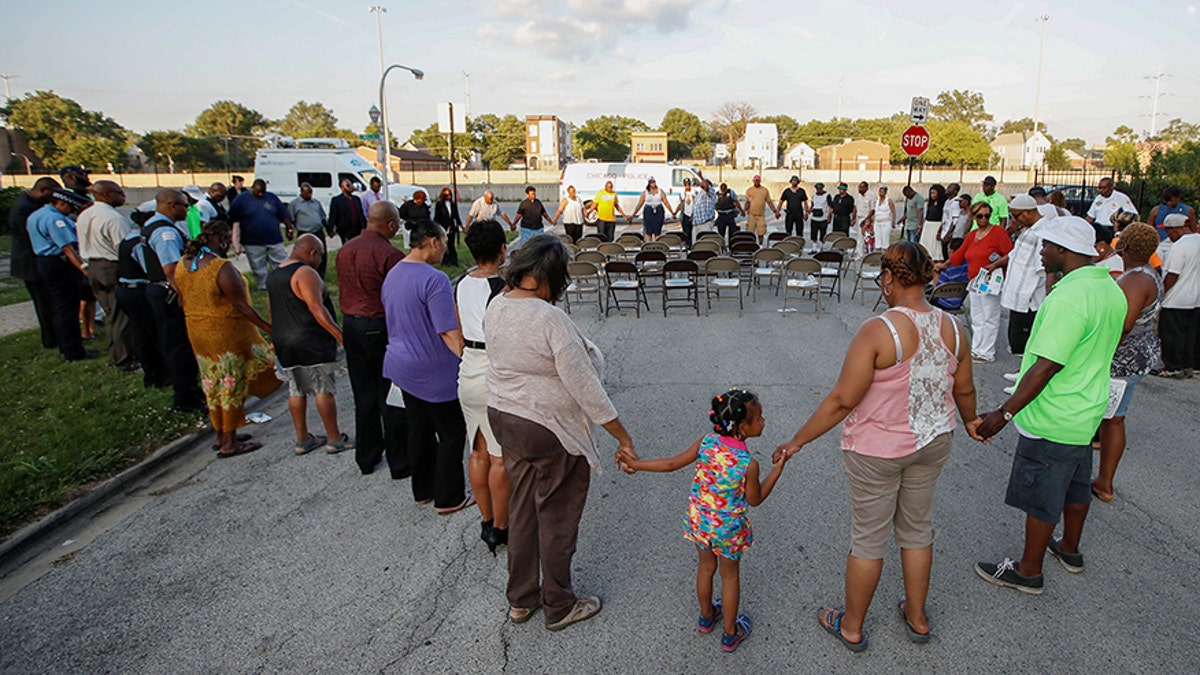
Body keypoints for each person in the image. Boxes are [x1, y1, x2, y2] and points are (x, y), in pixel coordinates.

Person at [774, 241, 979, 652]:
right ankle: (917, 617)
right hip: (934, 440)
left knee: (869, 538)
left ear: (887, 279)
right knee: (917, 528)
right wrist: (972, 421)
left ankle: (851, 625)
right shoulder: (956, 329)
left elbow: (842, 400)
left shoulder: (879, 330)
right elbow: (965, 387)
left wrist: (797, 441)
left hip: (877, 450)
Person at [483, 234, 635, 630]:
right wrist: (621, 435)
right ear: (551, 278)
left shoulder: (497, 303)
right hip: (547, 428)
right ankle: (559, 604)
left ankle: (521, 599)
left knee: (522, 511)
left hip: (504, 416)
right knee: (556, 518)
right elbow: (585, 386)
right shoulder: (548, 318)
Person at [974, 216, 1126, 595]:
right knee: (1076, 486)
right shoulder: (1110, 289)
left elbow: (1046, 365)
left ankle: (1028, 571)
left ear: (1064, 250)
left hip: (1054, 413)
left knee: (1043, 495)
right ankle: (1070, 550)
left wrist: (1004, 413)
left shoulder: (1069, 298)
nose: (1040, 252)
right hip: (1087, 409)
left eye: (1046, 246)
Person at [618, 389, 787, 653]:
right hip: (728, 529)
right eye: (760, 418)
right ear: (742, 428)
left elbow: (671, 463)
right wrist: (777, 470)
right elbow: (756, 499)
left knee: (706, 568)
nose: (764, 421)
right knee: (729, 576)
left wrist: (637, 465)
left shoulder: (706, 442)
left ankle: (707, 617)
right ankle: (730, 633)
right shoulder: (747, 463)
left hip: (699, 521)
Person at [382, 220, 472, 513]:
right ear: (433, 241)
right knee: (452, 432)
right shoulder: (434, 279)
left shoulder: (393, 274)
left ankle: (423, 490)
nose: (446, 248)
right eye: (444, 242)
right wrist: (466, 360)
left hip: (401, 364)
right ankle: (450, 497)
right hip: (433, 369)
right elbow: (447, 330)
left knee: (418, 428)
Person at [174, 220, 279, 456]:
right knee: (232, 384)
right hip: (227, 334)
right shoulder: (220, 267)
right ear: (222, 239)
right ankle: (230, 443)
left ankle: (222, 433)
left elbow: (182, 300)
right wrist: (269, 328)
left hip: (198, 332)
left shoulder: (183, 264)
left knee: (213, 383)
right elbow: (242, 306)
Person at [336, 200, 409, 478]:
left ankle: (367, 457)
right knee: (390, 394)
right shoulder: (389, 255)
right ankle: (399, 461)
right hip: (378, 326)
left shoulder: (346, 249)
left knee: (363, 394)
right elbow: (399, 298)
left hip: (351, 326)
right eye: (397, 223)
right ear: (390, 225)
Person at [1092, 223, 1163, 502]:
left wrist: (1101, 354)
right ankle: (1103, 480)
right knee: (1112, 418)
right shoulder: (1148, 273)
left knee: (1112, 419)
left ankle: (1104, 482)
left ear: (1124, 246)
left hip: (1122, 361)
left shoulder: (1136, 279)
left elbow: (1123, 325)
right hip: (1137, 355)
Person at [455, 221, 512, 554]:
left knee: (477, 450)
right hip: (494, 370)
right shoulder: (503, 288)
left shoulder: (461, 283)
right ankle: (502, 527)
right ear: (502, 250)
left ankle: (487, 519)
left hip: (468, 369)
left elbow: (459, 329)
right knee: (499, 457)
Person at [267, 234, 350, 455]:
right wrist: (339, 335)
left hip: (285, 340)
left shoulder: (274, 275)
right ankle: (334, 438)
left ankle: (302, 439)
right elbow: (316, 308)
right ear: (312, 252)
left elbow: (271, 310)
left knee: (296, 389)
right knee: (322, 389)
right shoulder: (305, 273)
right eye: (320, 255)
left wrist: (274, 338)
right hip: (309, 339)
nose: (320, 260)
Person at [141, 189, 208, 413]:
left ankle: (190, 391)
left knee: (176, 344)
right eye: (183, 205)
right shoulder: (164, 232)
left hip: (158, 290)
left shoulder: (153, 225)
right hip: (168, 292)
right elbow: (171, 269)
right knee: (179, 346)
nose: (186, 209)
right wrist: (184, 297)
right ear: (171, 205)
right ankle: (186, 399)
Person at [940, 201, 1013, 362]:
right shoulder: (973, 235)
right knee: (977, 317)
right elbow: (959, 254)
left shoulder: (997, 232)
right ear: (973, 217)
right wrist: (942, 265)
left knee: (990, 316)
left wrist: (994, 265)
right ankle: (977, 348)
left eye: (987, 215)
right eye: (980, 216)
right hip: (975, 281)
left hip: (990, 280)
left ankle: (987, 351)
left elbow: (1011, 254)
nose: (984, 219)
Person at [76, 180, 136, 370]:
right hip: (111, 267)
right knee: (120, 315)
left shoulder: (85, 214)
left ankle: (115, 354)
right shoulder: (113, 218)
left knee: (110, 312)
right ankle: (123, 361)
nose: (123, 196)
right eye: (119, 193)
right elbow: (124, 249)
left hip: (93, 266)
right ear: (108, 195)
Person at [26, 189, 93, 361]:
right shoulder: (55, 219)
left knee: (58, 306)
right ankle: (73, 350)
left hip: (43, 262)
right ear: (61, 203)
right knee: (67, 309)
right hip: (59, 264)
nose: (70, 212)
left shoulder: (36, 214)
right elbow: (67, 248)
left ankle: (65, 344)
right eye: (70, 208)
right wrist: (84, 269)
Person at [8, 177, 62, 350]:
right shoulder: (24, 208)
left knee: (49, 301)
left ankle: (55, 335)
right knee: (44, 302)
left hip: (32, 259)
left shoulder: (28, 204)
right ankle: (51, 339)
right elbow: (32, 236)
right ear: (44, 191)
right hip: (30, 262)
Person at [997, 195, 1051, 359]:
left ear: (1029, 212)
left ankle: (1025, 375)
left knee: (1025, 340)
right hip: (1017, 294)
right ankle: (1021, 373)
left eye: (1017, 216)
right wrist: (995, 264)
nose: (1015, 220)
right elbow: (1014, 254)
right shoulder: (1028, 229)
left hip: (1029, 297)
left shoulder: (1043, 231)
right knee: (1016, 340)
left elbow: (1044, 269)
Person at [1154, 213, 1200, 378]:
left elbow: (1173, 274)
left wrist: (1161, 293)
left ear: (1177, 229)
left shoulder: (1180, 246)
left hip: (1177, 298)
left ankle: (1173, 366)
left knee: (1172, 334)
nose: (1168, 235)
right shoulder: (1198, 240)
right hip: (1196, 298)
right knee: (1191, 334)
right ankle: (1191, 364)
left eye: (1168, 231)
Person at [230, 179, 294, 290]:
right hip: (252, 241)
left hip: (274, 239)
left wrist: (289, 228)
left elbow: (283, 214)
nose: (260, 194)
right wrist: (236, 239)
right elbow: (233, 217)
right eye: (258, 192)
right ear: (252, 188)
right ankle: (263, 286)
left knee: (280, 263)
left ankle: (281, 284)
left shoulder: (271, 197)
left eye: (262, 192)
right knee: (258, 265)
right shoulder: (241, 199)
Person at [288, 183, 333, 278]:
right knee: (306, 255)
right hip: (305, 232)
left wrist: (329, 229)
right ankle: (306, 274)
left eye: (311, 193)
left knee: (321, 254)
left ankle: (320, 275)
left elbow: (322, 217)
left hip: (318, 231)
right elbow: (290, 219)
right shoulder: (294, 204)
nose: (309, 195)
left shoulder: (316, 202)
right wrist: (290, 231)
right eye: (307, 193)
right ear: (301, 192)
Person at [630, 178, 672, 242]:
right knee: (648, 231)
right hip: (649, 211)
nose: (653, 183)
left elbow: (666, 202)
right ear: (649, 183)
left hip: (658, 211)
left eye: (654, 182)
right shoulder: (645, 192)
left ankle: (657, 245)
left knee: (657, 231)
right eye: (651, 182)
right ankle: (649, 245)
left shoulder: (660, 191)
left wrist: (672, 212)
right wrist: (633, 215)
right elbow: (640, 203)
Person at [932, 239, 968, 312]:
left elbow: (937, 289)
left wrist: (936, 273)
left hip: (943, 303)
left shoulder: (948, 270)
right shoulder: (968, 265)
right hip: (959, 302)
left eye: (949, 252)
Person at [742, 175, 777, 245]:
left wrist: (775, 211)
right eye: (755, 180)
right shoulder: (749, 190)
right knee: (750, 232)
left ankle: (760, 245)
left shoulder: (765, 190)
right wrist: (744, 210)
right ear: (753, 181)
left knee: (761, 232)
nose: (757, 182)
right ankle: (751, 245)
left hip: (761, 215)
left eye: (758, 180)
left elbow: (769, 202)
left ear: (760, 181)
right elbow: (747, 202)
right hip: (751, 215)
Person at [329, 178, 366, 242]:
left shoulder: (356, 199)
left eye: (351, 185)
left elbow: (361, 214)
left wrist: (364, 226)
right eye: (348, 185)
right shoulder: (337, 200)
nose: (351, 187)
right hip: (345, 230)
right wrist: (331, 229)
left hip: (358, 228)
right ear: (342, 188)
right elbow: (333, 216)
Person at [433, 187, 463, 266]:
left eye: (450, 195)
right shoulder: (439, 204)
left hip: (451, 226)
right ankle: (445, 261)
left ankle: (454, 260)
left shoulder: (452, 204)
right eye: (446, 195)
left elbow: (456, 215)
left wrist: (461, 225)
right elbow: (437, 216)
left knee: (451, 244)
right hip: (443, 226)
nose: (449, 197)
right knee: (443, 244)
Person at [690, 173, 718, 239]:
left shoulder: (710, 192)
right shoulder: (699, 194)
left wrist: (700, 176)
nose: (701, 184)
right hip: (696, 223)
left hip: (705, 223)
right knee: (695, 243)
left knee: (705, 242)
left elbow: (706, 187)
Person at [852, 182, 877, 250]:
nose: (859, 189)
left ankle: (869, 254)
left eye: (861, 187)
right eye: (859, 187)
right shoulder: (857, 195)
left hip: (868, 219)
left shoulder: (871, 195)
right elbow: (855, 207)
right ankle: (860, 255)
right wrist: (853, 219)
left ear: (866, 188)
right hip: (860, 217)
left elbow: (873, 209)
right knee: (860, 237)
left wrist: (866, 220)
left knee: (868, 238)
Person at [871, 186, 895, 252]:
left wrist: (893, 221)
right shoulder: (877, 201)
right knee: (878, 241)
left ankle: (885, 256)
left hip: (886, 222)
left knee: (885, 241)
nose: (881, 193)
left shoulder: (889, 201)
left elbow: (893, 212)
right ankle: (878, 255)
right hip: (877, 223)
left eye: (882, 192)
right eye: (880, 191)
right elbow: (875, 213)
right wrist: (873, 223)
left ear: (885, 192)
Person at [675, 178, 697, 245]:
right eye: (686, 185)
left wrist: (693, 215)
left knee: (692, 232)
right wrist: (675, 212)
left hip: (693, 215)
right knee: (686, 232)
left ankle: (692, 244)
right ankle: (687, 244)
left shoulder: (694, 193)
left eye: (688, 184)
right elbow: (680, 204)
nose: (687, 186)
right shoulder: (682, 193)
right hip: (685, 214)